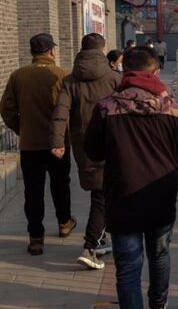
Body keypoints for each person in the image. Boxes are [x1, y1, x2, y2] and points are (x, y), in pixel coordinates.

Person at [85, 46, 178, 309]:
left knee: (128, 265)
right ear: (156, 71)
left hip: (121, 193)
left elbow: (93, 151)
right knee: (159, 254)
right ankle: (158, 303)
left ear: (124, 69)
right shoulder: (174, 109)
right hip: (161, 192)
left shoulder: (105, 108)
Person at [0, 33, 76, 256]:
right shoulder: (62, 75)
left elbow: (6, 109)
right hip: (60, 143)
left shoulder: (18, 76)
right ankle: (64, 223)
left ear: (32, 52)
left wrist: (21, 129)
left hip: (30, 144)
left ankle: (35, 237)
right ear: (52, 51)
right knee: (61, 185)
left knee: (33, 191)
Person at [50, 33, 121, 269]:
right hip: (113, 142)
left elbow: (61, 112)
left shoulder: (71, 80)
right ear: (102, 49)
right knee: (103, 195)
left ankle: (100, 239)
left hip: (83, 144)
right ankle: (91, 246)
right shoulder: (113, 78)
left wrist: (57, 141)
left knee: (100, 192)